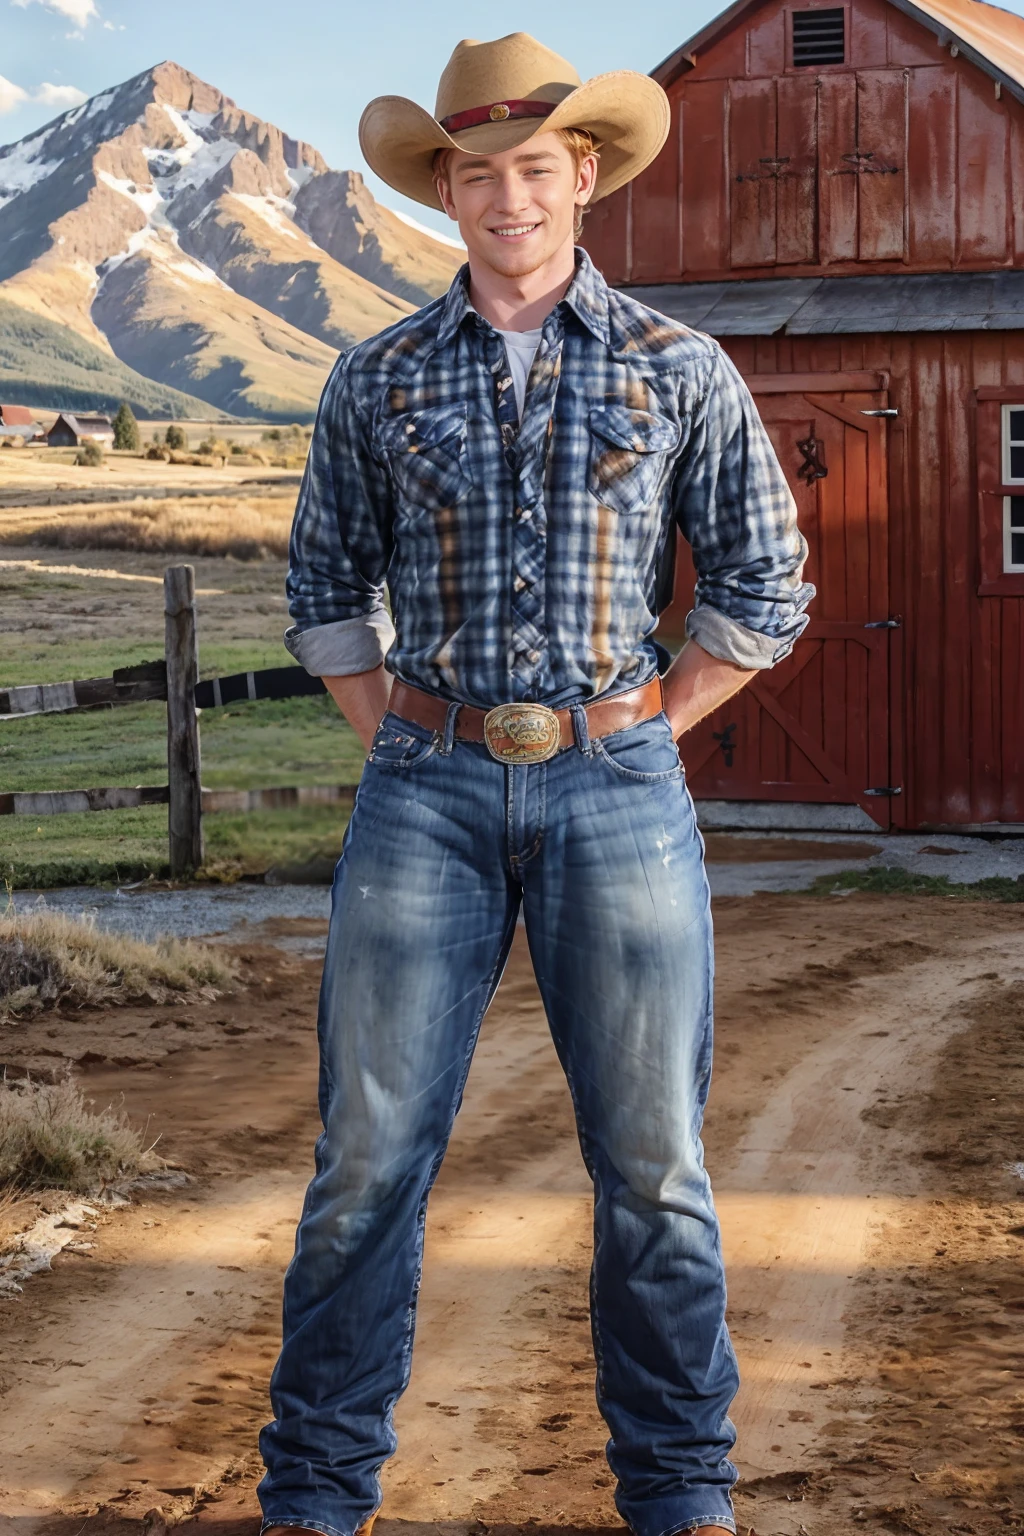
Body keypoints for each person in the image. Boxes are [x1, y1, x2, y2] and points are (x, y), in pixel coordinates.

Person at [258, 31, 813, 1536]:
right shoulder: (374, 376)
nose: (507, 198)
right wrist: (395, 732)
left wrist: (645, 726)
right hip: (421, 793)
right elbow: (323, 586)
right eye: (476, 173)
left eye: (533, 168)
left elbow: (766, 581)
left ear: (586, 175)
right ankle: (313, 1498)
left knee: (654, 1171)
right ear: (447, 190)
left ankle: (681, 1497)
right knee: (366, 1161)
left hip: (617, 787)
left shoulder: (678, 369)